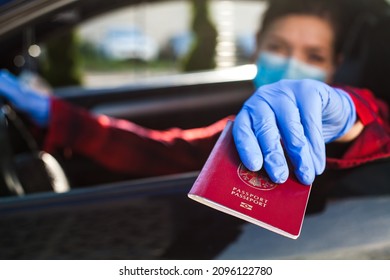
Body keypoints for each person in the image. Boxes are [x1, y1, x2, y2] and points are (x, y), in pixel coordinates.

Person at [0, 0, 389, 190]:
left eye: (314, 57)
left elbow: (377, 125)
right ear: (255, 48)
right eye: (279, 48)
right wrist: (53, 113)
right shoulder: (240, 129)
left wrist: (349, 113)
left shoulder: (347, 112)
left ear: (335, 66)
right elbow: (159, 152)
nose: (291, 66)